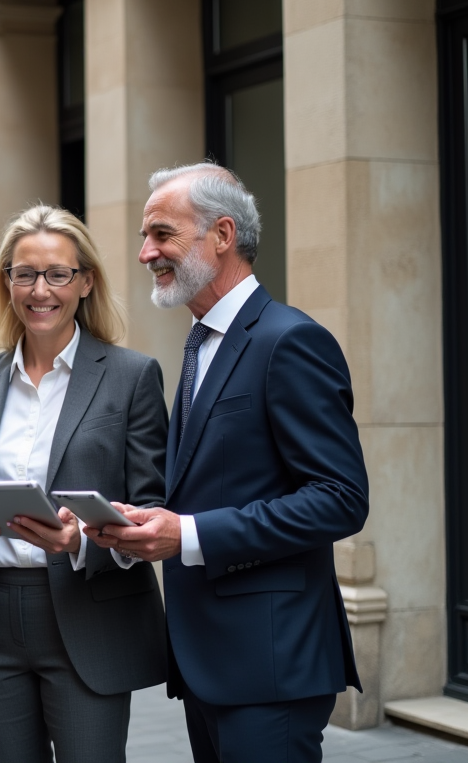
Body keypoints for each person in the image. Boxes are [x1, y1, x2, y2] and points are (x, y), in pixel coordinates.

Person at [87, 162, 369, 763]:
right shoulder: (200, 343)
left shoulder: (289, 340)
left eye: (162, 234)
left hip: (271, 665)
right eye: (145, 236)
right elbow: (209, 487)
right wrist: (142, 525)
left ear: (222, 235)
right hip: (210, 664)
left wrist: (186, 534)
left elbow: (340, 498)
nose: (144, 253)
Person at [0, 205, 167, 762]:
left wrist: (82, 542)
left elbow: (152, 508)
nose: (39, 290)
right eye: (24, 273)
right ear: (8, 282)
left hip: (87, 613)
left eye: (57, 274)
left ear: (86, 281)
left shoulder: (131, 377)